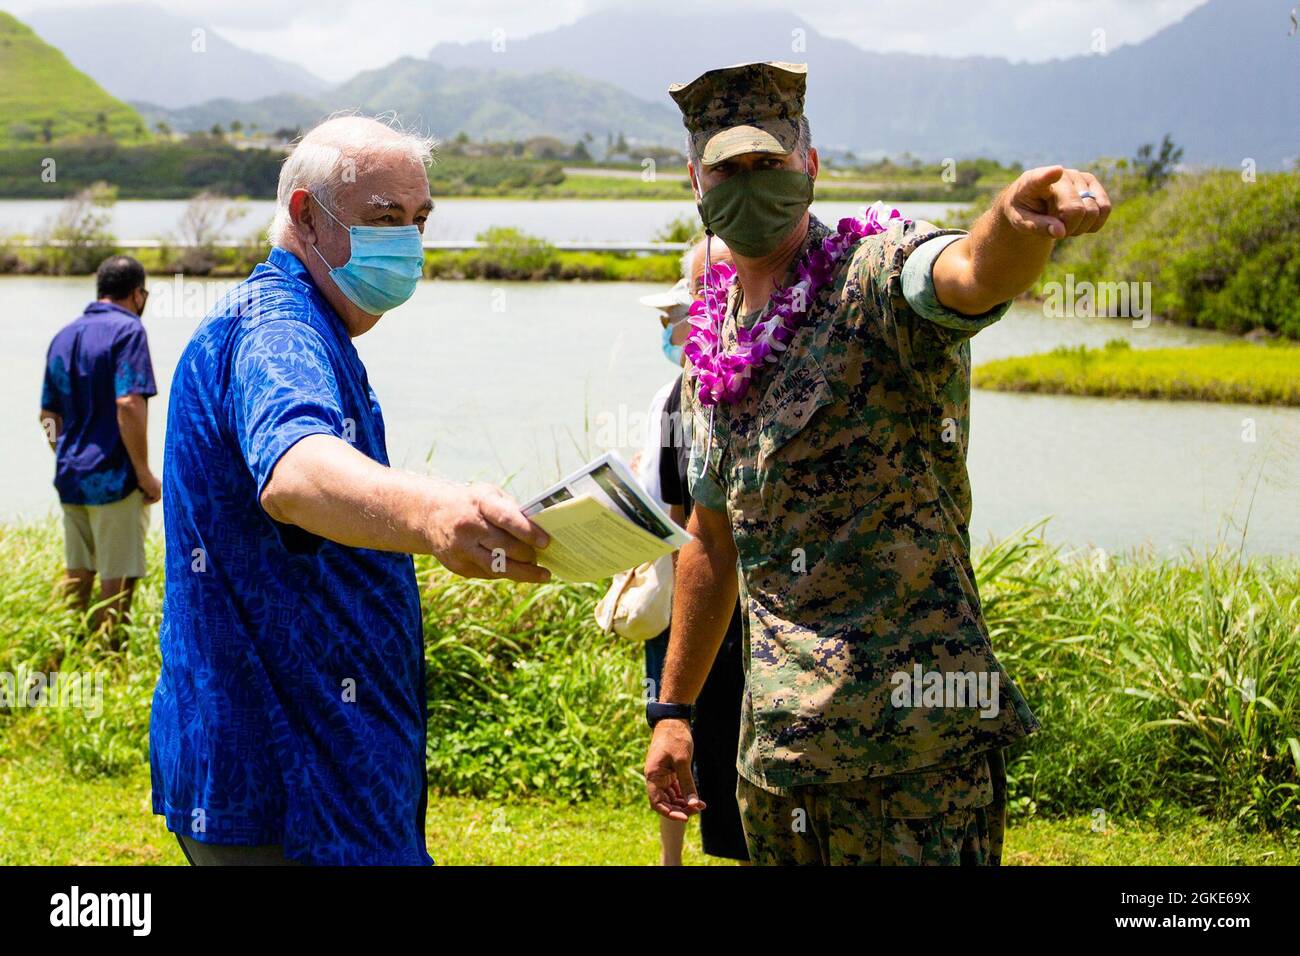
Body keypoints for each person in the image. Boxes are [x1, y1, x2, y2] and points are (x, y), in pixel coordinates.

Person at [643, 61, 1112, 865]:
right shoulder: (711, 344)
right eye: (729, 168)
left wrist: (1016, 217)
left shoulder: (872, 281)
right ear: (696, 179)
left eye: (770, 163)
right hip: (778, 759)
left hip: (911, 765)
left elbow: (963, 274)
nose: (750, 184)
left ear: (810, 167)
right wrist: (675, 709)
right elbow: (711, 542)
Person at [150, 115, 551, 866]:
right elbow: (296, 472)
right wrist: (435, 511)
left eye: (419, 221)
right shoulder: (278, 328)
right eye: (383, 219)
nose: (407, 243)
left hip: (314, 760)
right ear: (305, 214)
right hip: (286, 774)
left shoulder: (311, 325)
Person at [40, 255, 159, 637]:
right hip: (115, 480)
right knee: (117, 583)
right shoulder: (128, 332)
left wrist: (67, 456)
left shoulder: (64, 335)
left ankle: (56, 662)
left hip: (72, 479)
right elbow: (128, 403)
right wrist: (144, 475)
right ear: (138, 294)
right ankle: (108, 670)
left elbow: (46, 415)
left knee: (77, 578)